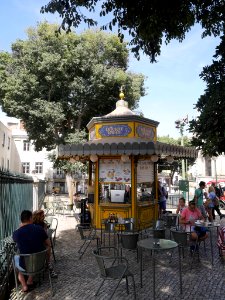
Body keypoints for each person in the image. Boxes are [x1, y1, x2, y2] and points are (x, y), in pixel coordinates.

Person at [13, 210, 52, 292]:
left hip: (24, 265)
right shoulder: (40, 229)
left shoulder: (16, 233)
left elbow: (16, 241)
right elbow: (48, 244)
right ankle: (30, 281)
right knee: (33, 257)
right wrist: (47, 260)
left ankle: (24, 286)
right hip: (39, 263)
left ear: (21, 220)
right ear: (31, 218)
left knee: (17, 258)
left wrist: (20, 228)